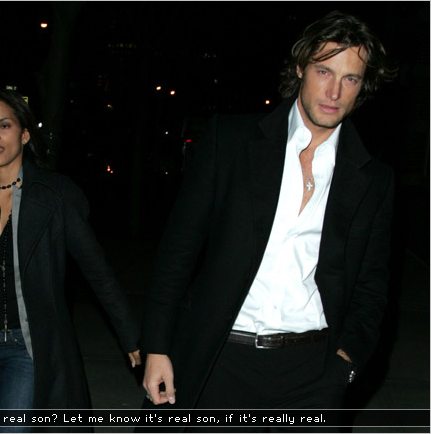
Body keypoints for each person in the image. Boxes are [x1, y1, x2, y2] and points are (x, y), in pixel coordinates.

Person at [141, 10, 397, 419]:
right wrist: (157, 346)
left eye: (350, 79)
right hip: (222, 359)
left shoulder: (372, 179)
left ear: (362, 87)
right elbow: (177, 252)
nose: (334, 91)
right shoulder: (231, 141)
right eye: (324, 71)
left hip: (311, 373)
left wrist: (343, 365)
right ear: (300, 68)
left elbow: (371, 288)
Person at [0, 89, 141, 432]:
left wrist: (132, 337)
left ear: (24, 135)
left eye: (4, 125)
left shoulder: (54, 195)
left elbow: (97, 271)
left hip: (28, 347)